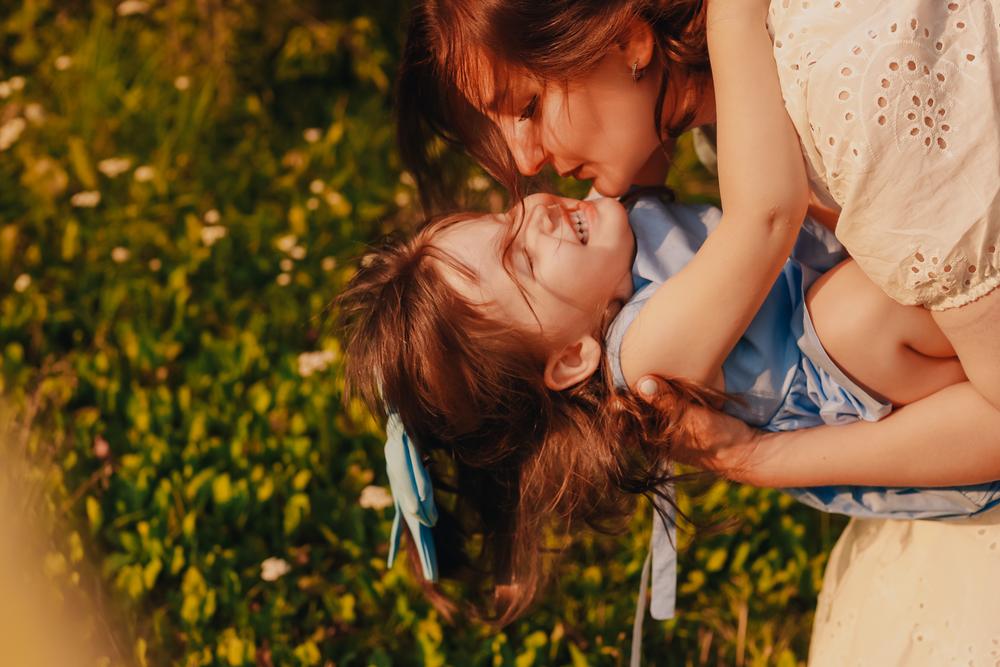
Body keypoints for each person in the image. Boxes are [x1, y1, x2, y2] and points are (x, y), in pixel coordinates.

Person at [394, 0, 1000, 660]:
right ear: (571, 358)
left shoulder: (600, 256)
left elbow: (645, 111)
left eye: (528, 107)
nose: (527, 171)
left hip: (906, 358)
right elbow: (763, 218)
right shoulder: (646, 358)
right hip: (926, 421)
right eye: (521, 260)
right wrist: (731, 16)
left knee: (851, 306)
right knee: (849, 317)